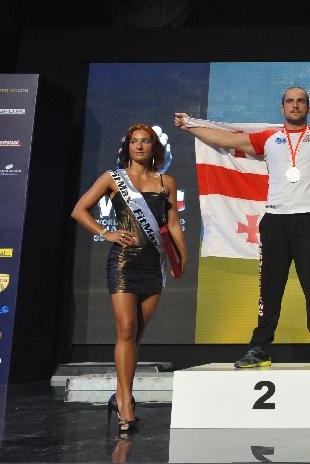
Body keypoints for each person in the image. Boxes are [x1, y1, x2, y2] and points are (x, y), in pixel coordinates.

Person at [174, 87, 310, 369]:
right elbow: (228, 139)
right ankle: (260, 348)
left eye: (300, 101)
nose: (295, 106)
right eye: (290, 102)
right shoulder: (268, 139)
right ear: (282, 108)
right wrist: (191, 126)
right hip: (275, 223)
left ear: (308, 108)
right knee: (269, 290)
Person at [71, 124, 188, 433]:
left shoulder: (166, 182)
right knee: (125, 329)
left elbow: (173, 222)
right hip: (123, 262)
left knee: (135, 336)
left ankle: (121, 395)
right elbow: (79, 210)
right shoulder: (113, 178)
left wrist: (182, 255)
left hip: (154, 264)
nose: (139, 146)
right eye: (134, 141)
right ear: (128, 146)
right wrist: (105, 232)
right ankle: (125, 404)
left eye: (145, 141)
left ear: (154, 147)